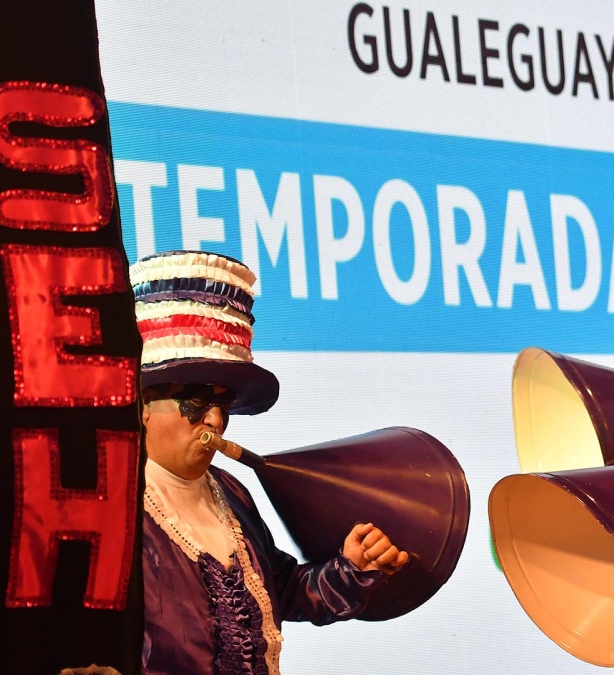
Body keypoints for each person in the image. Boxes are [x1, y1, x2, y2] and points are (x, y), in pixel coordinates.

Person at [132, 250, 408, 674]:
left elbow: (281, 588)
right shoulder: (118, 507)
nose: (215, 420)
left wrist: (352, 569)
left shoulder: (230, 492)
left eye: (223, 405)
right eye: (197, 401)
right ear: (144, 404)